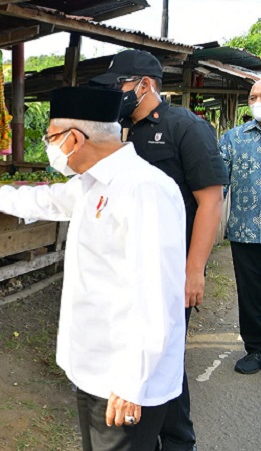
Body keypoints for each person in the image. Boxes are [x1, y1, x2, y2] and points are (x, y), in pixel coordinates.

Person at [0, 86, 187, 451]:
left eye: (51, 137)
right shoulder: (90, 184)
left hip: (124, 377)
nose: (48, 146)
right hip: (94, 365)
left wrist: (132, 381)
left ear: (74, 138)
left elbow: (156, 292)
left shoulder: (143, 189)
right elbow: (43, 199)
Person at [92, 49, 227, 451]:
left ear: (145, 85)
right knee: (159, 360)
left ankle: (171, 440)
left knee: (156, 358)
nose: (116, 94)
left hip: (171, 270)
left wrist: (194, 270)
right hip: (130, 268)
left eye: (121, 85)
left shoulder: (185, 127)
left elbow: (211, 200)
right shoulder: (120, 130)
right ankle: (170, 439)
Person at [219, 79, 261, 375]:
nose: (255, 100)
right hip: (246, 232)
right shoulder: (233, 139)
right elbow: (216, 186)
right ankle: (256, 349)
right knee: (250, 294)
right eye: (253, 96)